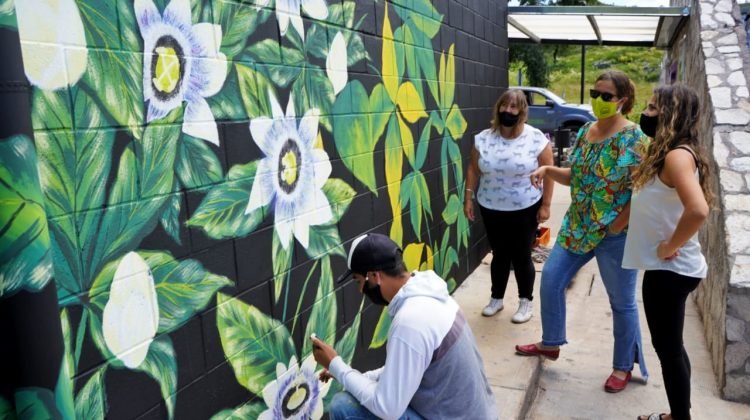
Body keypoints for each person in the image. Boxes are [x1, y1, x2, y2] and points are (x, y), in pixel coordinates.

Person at [515, 70, 649, 393]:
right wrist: (548, 169)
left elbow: (642, 190)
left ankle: (623, 366)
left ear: (624, 101)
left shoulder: (635, 138)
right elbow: (575, 176)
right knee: (550, 279)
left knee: (622, 302)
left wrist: (617, 223)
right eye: (595, 93)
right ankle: (551, 342)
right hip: (577, 226)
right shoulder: (587, 130)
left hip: (614, 235)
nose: (599, 100)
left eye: (607, 96)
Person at [311, 233, 497, 420]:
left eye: (359, 281)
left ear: (374, 276)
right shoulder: (430, 295)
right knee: (359, 391)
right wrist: (347, 374)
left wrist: (335, 363)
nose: (360, 290)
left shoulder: (410, 321)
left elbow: (387, 408)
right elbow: (403, 369)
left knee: (344, 406)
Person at [623, 84, 712, 420]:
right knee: (673, 348)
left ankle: (680, 417)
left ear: (669, 113)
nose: (645, 114)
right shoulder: (676, 152)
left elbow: (698, 210)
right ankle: (679, 414)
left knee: (669, 350)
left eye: (651, 108)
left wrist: (668, 246)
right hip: (673, 270)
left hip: (670, 271)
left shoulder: (677, 156)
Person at [464, 89, 554, 323]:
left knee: (521, 255)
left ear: (522, 111)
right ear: (498, 108)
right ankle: (497, 298)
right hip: (491, 205)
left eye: (514, 107)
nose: (508, 111)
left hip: (525, 207)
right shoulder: (483, 137)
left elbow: (550, 173)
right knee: (499, 254)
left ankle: (526, 302)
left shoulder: (536, 139)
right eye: (504, 106)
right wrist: (468, 198)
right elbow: (473, 169)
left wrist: (546, 205)